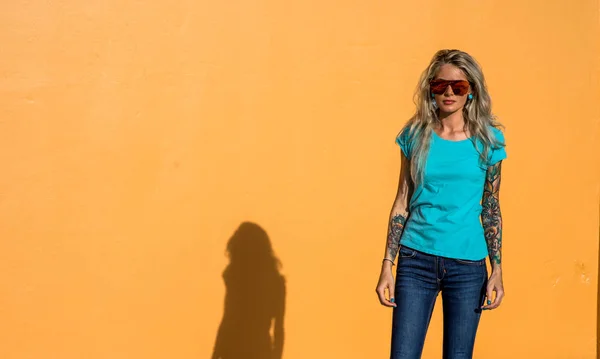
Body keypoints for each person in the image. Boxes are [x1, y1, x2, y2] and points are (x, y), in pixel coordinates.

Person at [375, 49, 507, 359]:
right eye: (440, 85)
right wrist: (386, 266)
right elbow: (401, 203)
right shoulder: (415, 136)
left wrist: (497, 268)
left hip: (468, 265)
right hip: (415, 258)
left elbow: (491, 207)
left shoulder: (489, 141)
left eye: (458, 87)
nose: (448, 92)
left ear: (471, 90)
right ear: (431, 89)